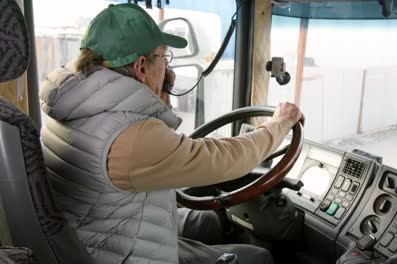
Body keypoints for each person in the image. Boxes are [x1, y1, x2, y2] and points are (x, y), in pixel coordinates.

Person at [39, 3, 304, 264]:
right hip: (126, 252)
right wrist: (280, 123)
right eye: (163, 57)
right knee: (258, 257)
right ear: (141, 67)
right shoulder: (129, 136)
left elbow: (163, 153)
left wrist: (158, 96)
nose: (167, 67)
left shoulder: (75, 109)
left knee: (212, 220)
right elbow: (228, 159)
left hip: (109, 232)